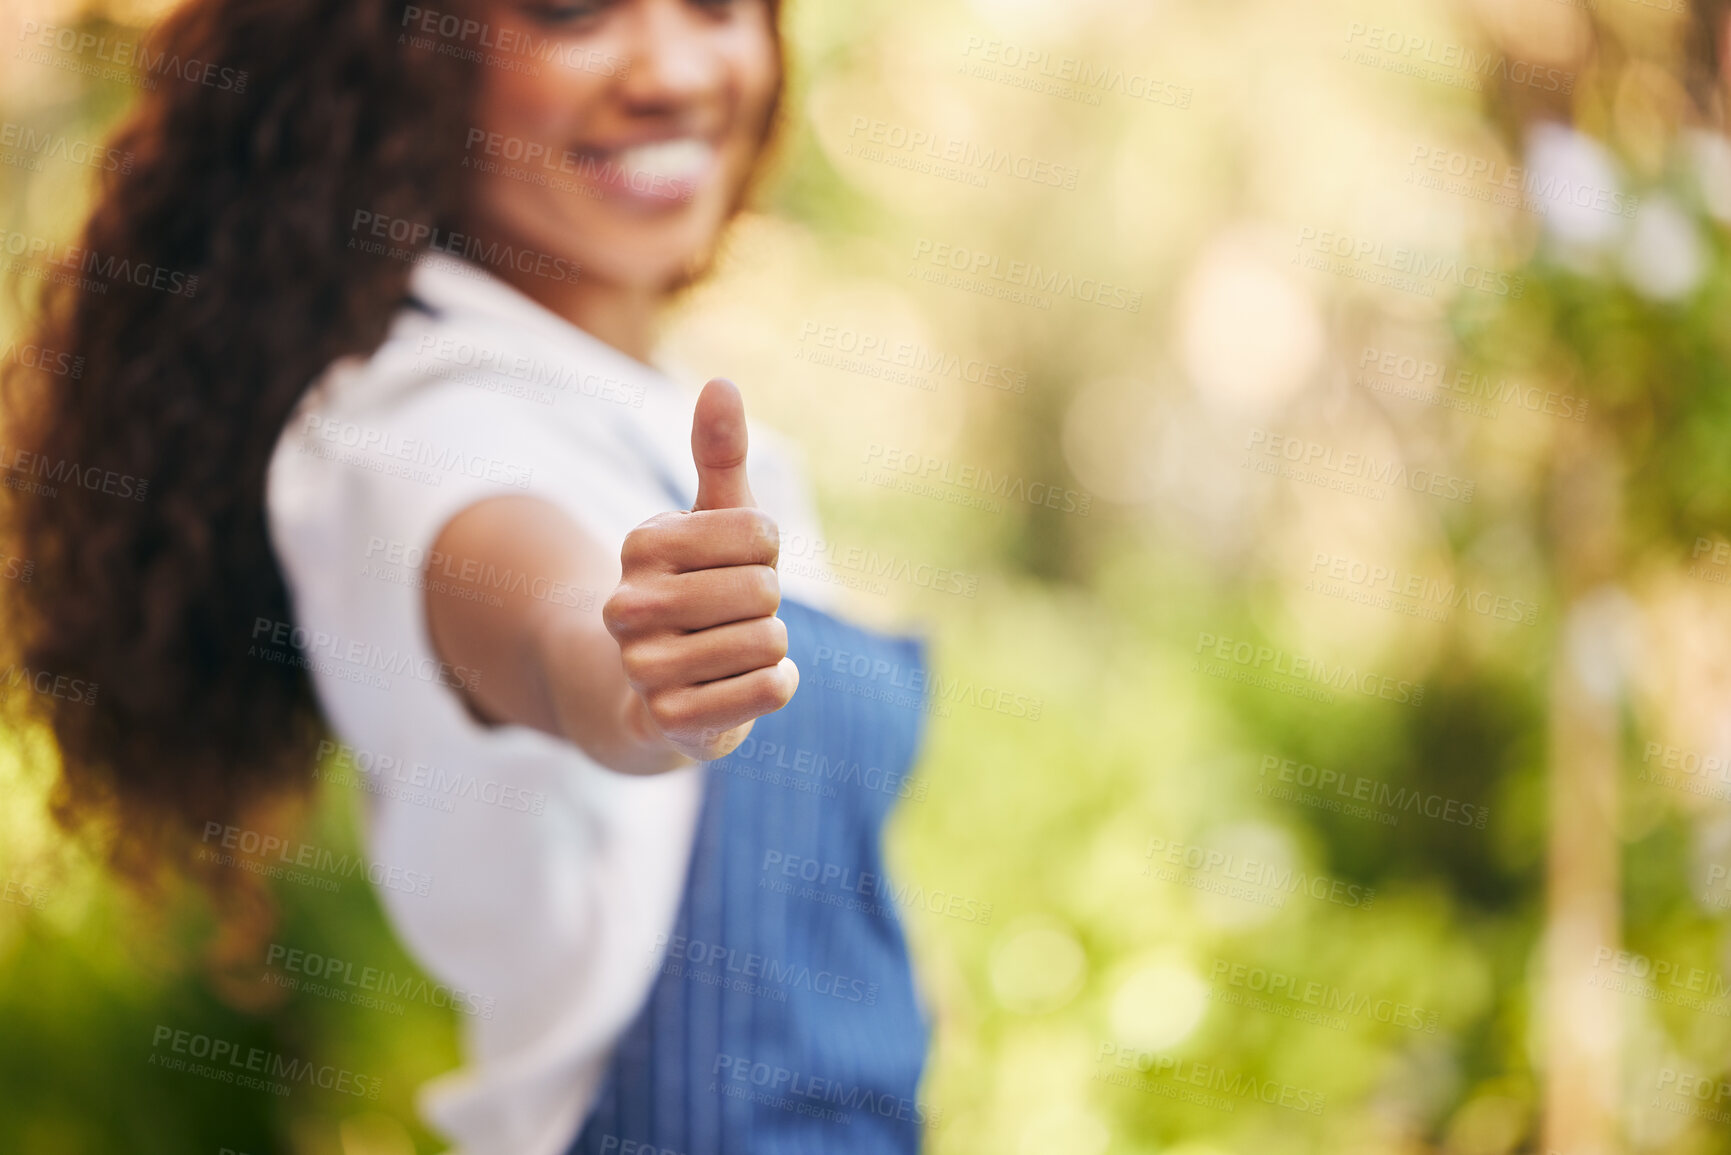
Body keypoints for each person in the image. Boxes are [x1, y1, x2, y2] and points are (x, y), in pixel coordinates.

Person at [0, 0, 934, 1152]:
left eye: (717, 5)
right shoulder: (410, 427)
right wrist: (632, 676)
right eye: (570, 10)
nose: (674, 69)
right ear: (402, 59)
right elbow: (550, 617)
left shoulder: (656, 416)